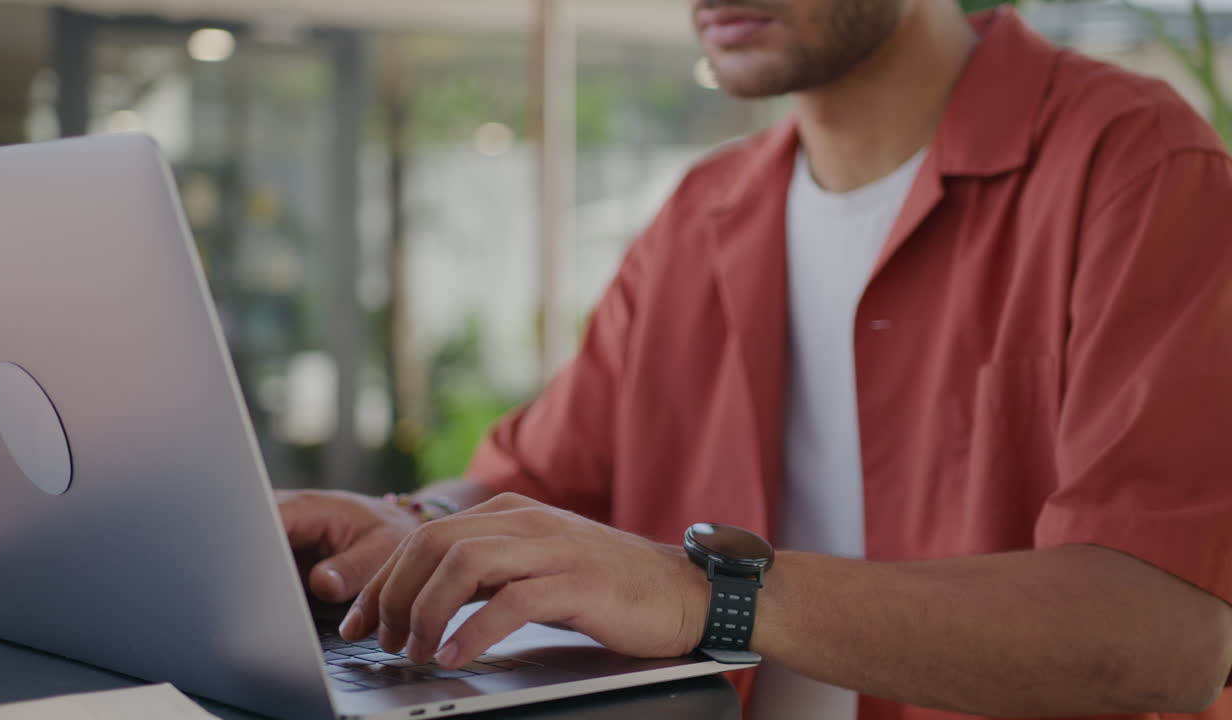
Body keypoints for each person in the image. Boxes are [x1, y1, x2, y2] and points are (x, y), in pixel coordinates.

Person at [278, 1, 1232, 718]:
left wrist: (706, 594)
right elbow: (527, 480)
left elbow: (1165, 634)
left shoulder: (1134, 165)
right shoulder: (704, 213)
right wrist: (407, 521)